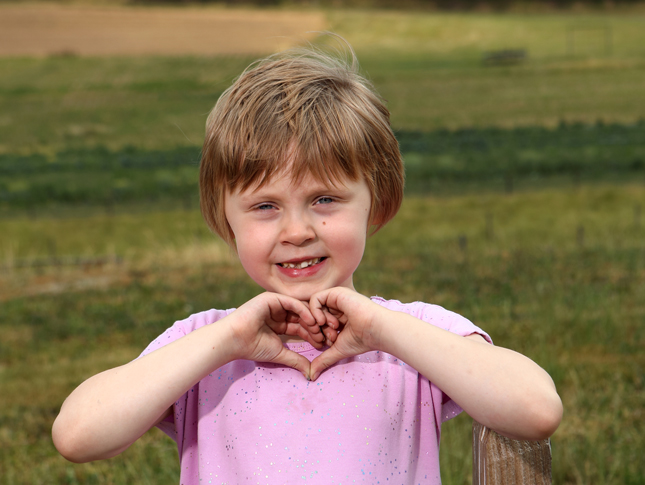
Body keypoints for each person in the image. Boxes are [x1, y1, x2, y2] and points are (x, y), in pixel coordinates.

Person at [52, 42, 562, 484]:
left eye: (324, 200)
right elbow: (78, 434)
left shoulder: (407, 338)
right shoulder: (206, 345)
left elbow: (537, 410)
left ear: (377, 203)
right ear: (225, 219)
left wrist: (383, 330)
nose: (297, 231)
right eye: (265, 207)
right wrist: (228, 341)